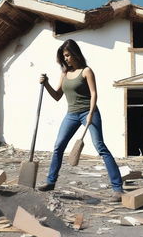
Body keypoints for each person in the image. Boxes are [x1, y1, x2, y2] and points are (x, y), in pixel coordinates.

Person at [38, 39, 123, 201]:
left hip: (88, 112)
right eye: (64, 56)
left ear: (75, 54)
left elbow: (94, 94)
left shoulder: (86, 71)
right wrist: (46, 84)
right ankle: (50, 182)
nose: (66, 59)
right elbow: (57, 96)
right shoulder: (64, 74)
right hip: (71, 114)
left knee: (100, 147)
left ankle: (118, 189)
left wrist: (91, 113)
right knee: (58, 146)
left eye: (68, 55)